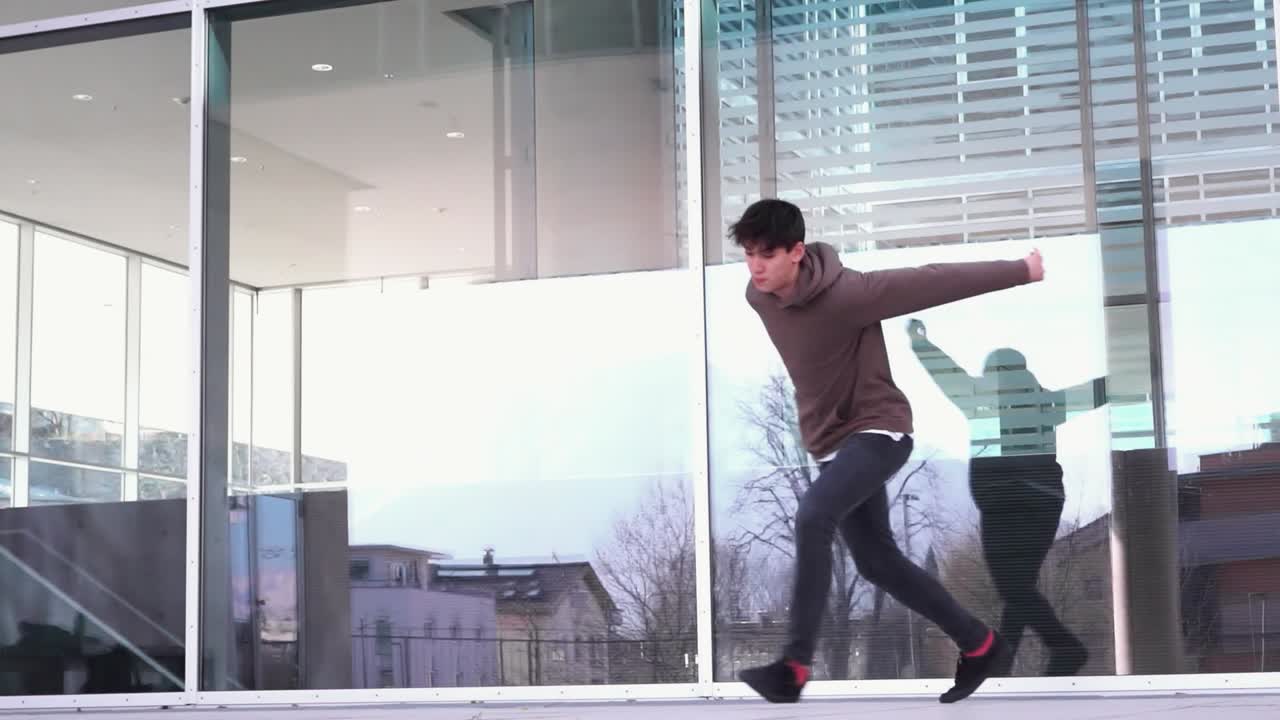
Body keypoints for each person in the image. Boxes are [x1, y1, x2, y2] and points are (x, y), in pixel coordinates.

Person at [731, 199, 1043, 705]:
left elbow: (932, 279)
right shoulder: (757, 296)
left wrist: (1020, 271)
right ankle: (981, 644)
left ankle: (793, 666)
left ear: (797, 251)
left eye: (767, 254)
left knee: (813, 516)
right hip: (832, 446)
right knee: (876, 561)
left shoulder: (850, 294)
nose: (757, 267)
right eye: (748, 254)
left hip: (880, 431)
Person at [907, 320, 1098, 675]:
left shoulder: (979, 398)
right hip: (1046, 501)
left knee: (1012, 583)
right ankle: (1003, 662)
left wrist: (921, 343)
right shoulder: (1046, 402)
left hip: (1003, 501)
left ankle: (1064, 647)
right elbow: (1090, 393)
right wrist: (1131, 377)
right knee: (1019, 585)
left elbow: (945, 372)